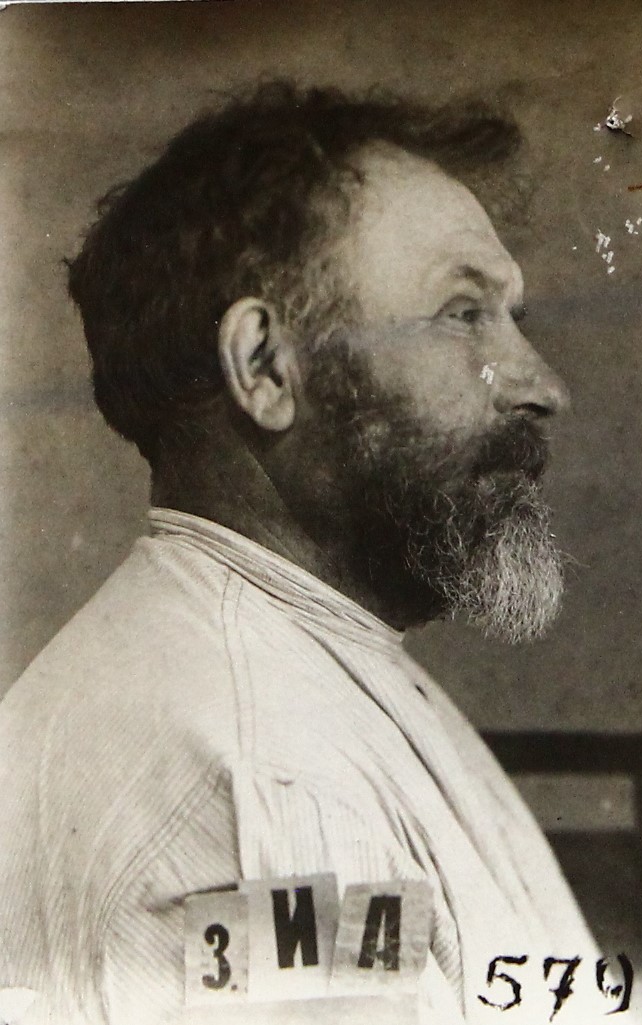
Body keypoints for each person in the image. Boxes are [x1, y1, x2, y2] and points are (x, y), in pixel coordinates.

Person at [0, 84, 596, 1023]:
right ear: (266, 368)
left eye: (512, 317)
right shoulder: (272, 778)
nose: (542, 385)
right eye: (462, 314)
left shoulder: (292, 664)